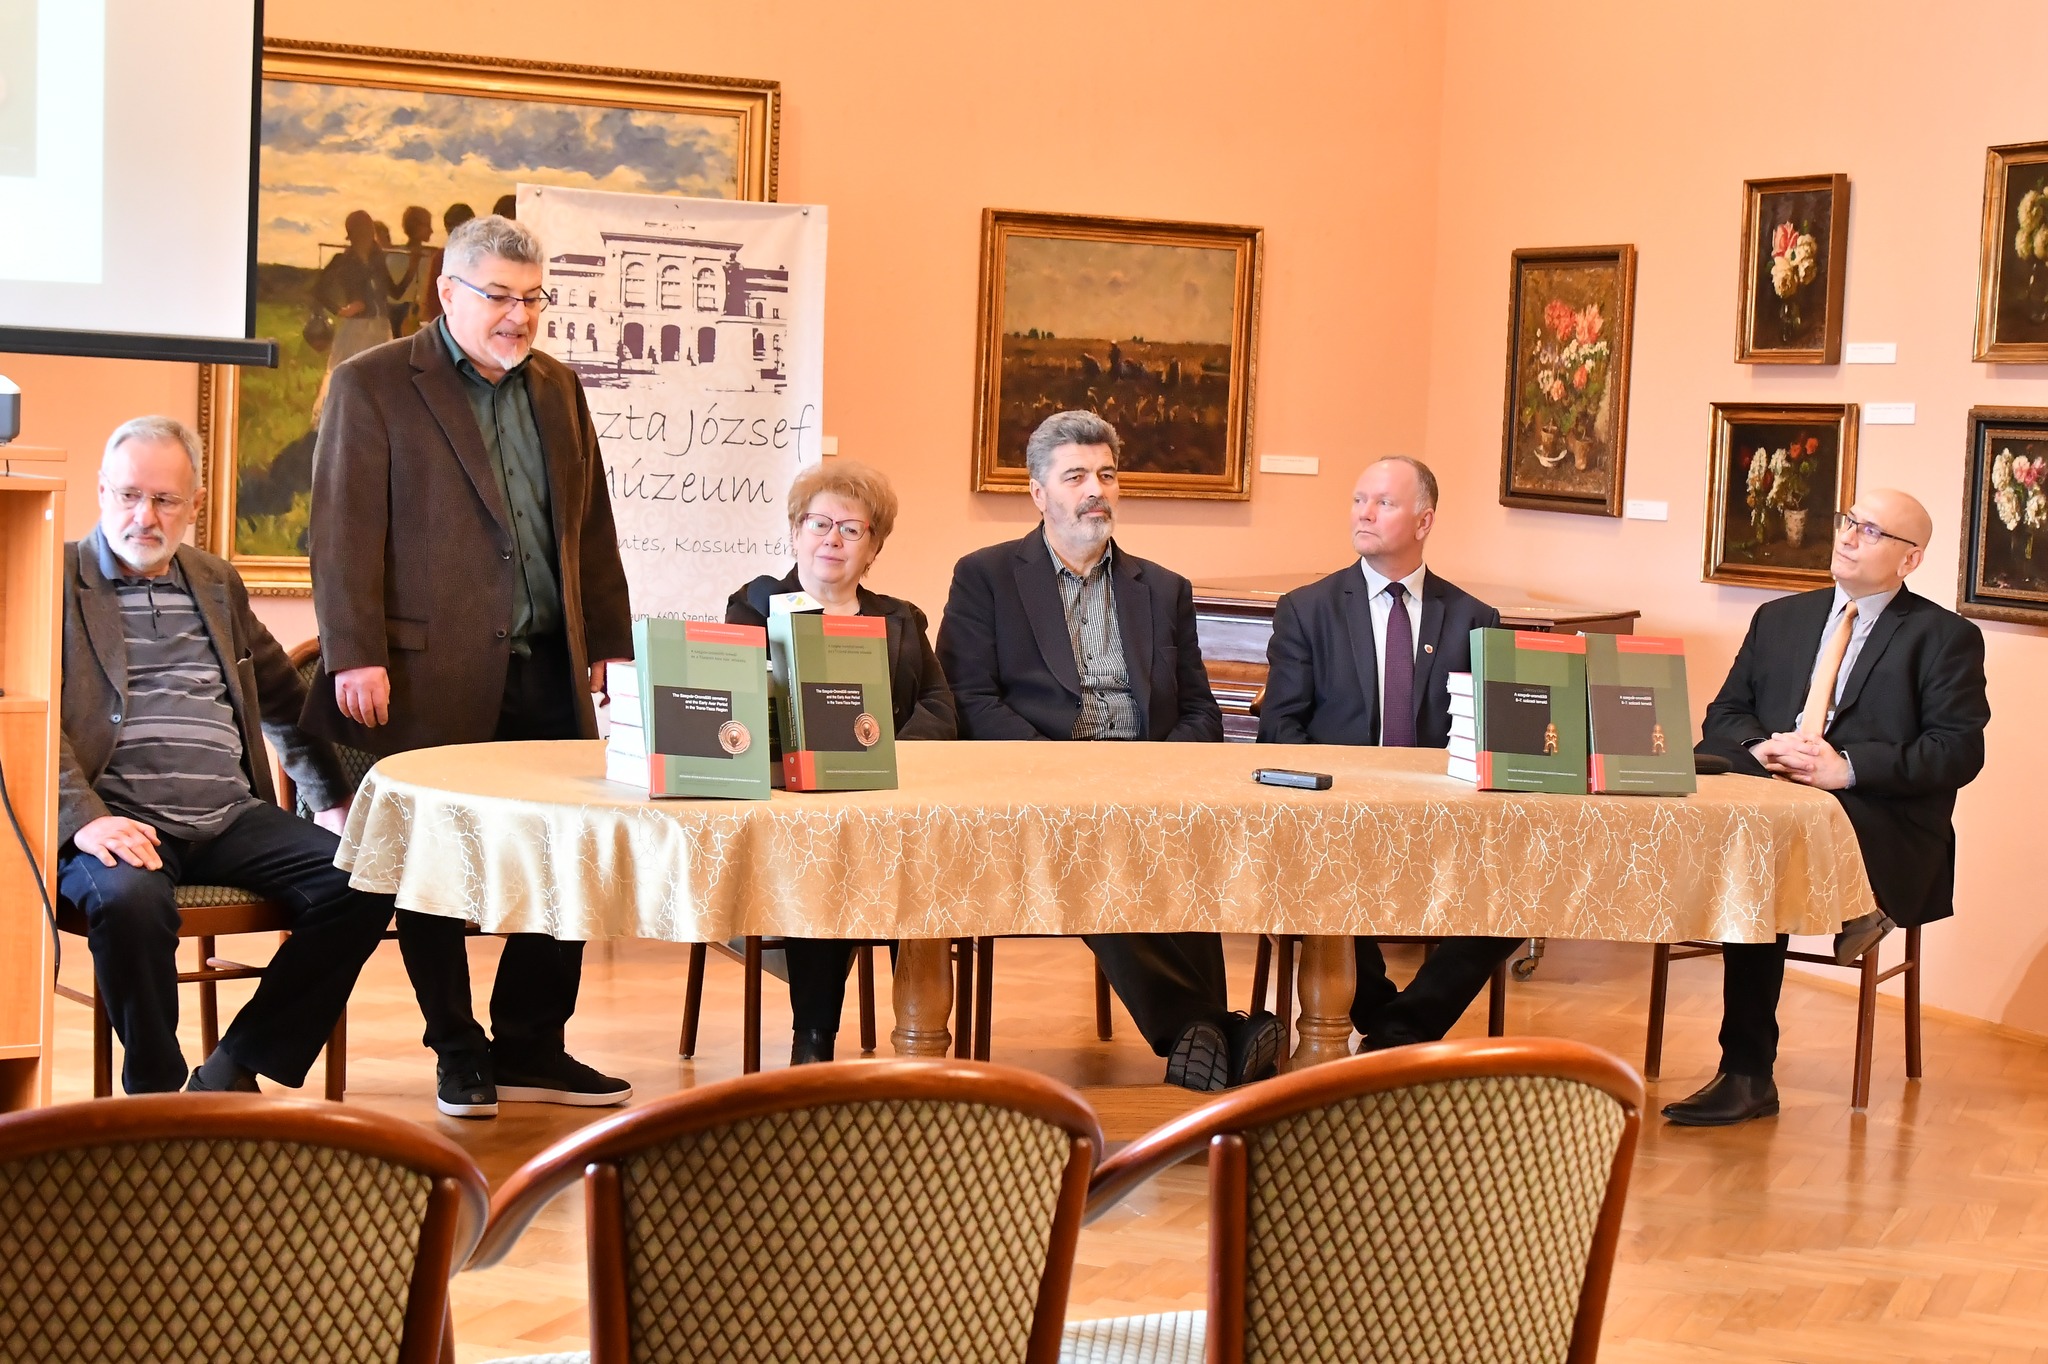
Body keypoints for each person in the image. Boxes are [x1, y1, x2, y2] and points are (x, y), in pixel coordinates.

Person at [304, 214, 635, 1120]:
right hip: (424, 669)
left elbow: (590, 525)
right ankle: (457, 1048)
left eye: (532, 299)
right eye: (499, 297)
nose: (518, 316)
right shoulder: (374, 383)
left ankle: (531, 1042)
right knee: (434, 861)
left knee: (566, 850)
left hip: (549, 664)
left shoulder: (559, 388)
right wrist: (353, 652)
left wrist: (610, 644)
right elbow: (340, 530)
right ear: (448, 292)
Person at [938, 409, 1281, 1092]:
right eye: (1075, 477)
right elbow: (969, 699)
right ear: (1039, 493)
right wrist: (1067, 769)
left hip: (1149, 781)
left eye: (1106, 474)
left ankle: (1207, 1035)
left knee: (1178, 842)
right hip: (1043, 787)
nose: (1095, 489)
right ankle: (1206, 1027)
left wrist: (1154, 768)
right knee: (1095, 848)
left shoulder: (1162, 587)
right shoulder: (987, 576)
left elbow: (1199, 710)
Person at [55, 416, 393, 1095]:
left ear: (196, 504)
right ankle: (157, 1093)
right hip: (117, 817)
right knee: (128, 903)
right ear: (100, 490)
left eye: (164, 500)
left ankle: (232, 1070)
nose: (144, 517)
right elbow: (21, 714)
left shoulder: (213, 580)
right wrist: (82, 819)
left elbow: (282, 694)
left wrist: (329, 797)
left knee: (364, 880)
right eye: (128, 495)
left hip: (229, 814)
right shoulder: (53, 577)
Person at [1675, 488, 1989, 1126]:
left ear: (1910, 559)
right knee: (1753, 840)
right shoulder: (1780, 619)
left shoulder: (1944, 637)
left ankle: (1746, 1073)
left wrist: (1845, 768)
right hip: (1771, 802)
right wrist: (1763, 747)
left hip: (1874, 814)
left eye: (1870, 532)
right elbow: (1723, 715)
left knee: (1759, 860)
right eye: (1848, 521)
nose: (1846, 536)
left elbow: (1956, 752)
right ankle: (1750, 1066)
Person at [1257, 455, 1522, 1049]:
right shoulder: (1308, 609)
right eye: (1359, 500)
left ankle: (1400, 1030)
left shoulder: (1475, 619)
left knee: (1518, 890)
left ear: (1424, 521)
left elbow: (1493, 737)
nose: (1364, 513)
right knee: (1324, 878)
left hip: (1442, 821)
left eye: (1384, 503)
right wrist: (1333, 796)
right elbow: (1280, 726)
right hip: (1337, 817)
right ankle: (1390, 1024)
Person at [726, 461, 957, 1064]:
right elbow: (745, 708)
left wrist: (878, 761)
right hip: (794, 810)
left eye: (852, 529)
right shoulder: (755, 607)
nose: (833, 539)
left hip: (889, 803)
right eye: (820, 524)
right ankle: (814, 1040)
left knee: (899, 856)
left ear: (873, 548)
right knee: (826, 855)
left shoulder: (901, 619)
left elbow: (939, 709)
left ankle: (916, 1042)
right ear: (795, 532)